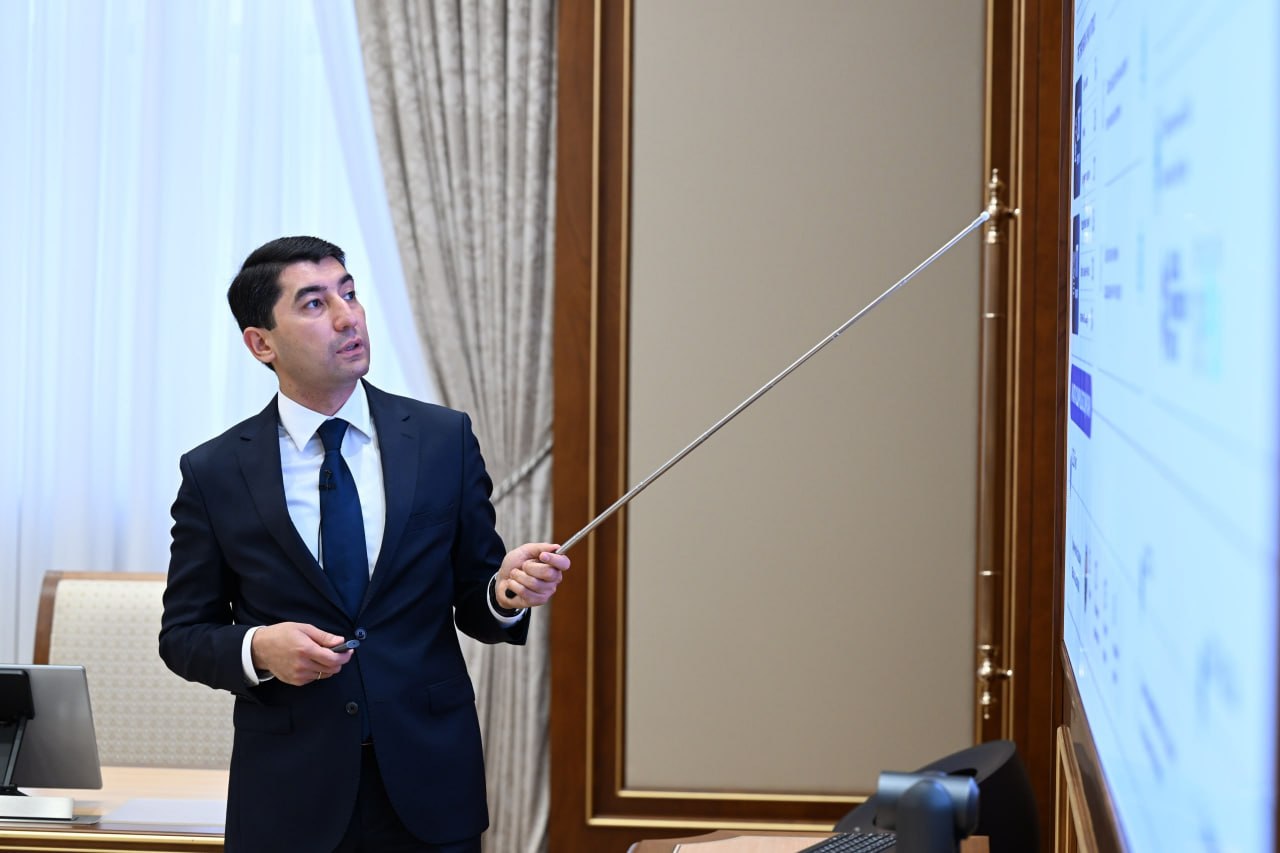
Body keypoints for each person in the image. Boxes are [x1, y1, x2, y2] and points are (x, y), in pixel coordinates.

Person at [159, 235, 569, 853]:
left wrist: (506, 592)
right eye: (315, 303)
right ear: (261, 343)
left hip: (430, 783)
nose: (347, 316)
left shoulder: (442, 439)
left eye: (349, 294)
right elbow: (183, 635)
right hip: (289, 797)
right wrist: (260, 648)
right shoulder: (214, 472)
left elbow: (477, 599)